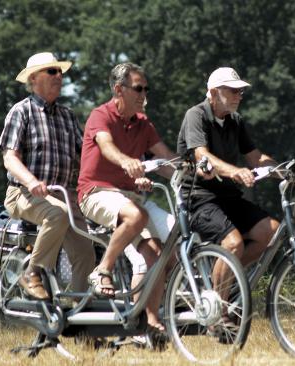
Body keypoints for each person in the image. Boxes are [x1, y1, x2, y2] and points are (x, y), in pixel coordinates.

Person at [77, 62, 175, 333]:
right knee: (136, 216)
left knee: (172, 242)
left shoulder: (143, 123)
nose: (144, 94)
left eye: (146, 89)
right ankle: (102, 270)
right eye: (138, 89)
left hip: (130, 197)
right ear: (119, 90)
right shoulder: (101, 115)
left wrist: (194, 171)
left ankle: (148, 323)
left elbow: (166, 159)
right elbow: (107, 147)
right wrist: (127, 162)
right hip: (97, 193)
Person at [0, 52, 95, 300]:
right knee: (57, 214)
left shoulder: (67, 116)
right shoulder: (21, 112)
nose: (59, 76)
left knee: (86, 251)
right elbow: (10, 158)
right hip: (23, 193)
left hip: (62, 196)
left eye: (60, 72)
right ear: (33, 78)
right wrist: (31, 181)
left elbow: (85, 158)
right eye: (52, 71)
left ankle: (78, 314)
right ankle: (32, 273)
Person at [177, 67, 280, 269]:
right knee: (233, 245)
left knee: (270, 231)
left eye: (240, 91)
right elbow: (201, 155)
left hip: (227, 197)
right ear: (214, 92)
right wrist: (235, 171)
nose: (239, 96)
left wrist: (286, 172)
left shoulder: (235, 121)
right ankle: (218, 299)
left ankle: (230, 281)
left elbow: (256, 157)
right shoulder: (196, 115)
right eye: (233, 91)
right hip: (199, 199)